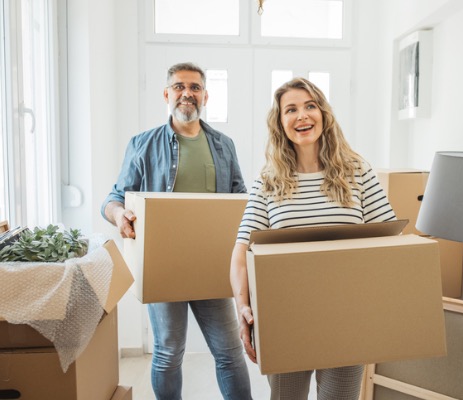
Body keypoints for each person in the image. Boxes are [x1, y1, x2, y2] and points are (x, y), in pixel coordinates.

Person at [230, 77, 396, 400]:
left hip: (348, 318)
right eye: (290, 109)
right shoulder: (268, 180)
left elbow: (390, 240)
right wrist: (242, 307)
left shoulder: (357, 171)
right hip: (284, 317)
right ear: (280, 123)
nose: (302, 116)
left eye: (310, 106)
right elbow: (240, 253)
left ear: (324, 114)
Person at [102, 62, 252, 400]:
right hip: (163, 267)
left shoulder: (223, 145)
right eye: (180, 86)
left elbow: (241, 198)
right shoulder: (142, 144)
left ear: (205, 96)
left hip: (213, 264)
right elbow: (113, 198)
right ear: (167, 94)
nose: (188, 93)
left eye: (195, 87)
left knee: (229, 352)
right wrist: (119, 213)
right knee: (169, 353)